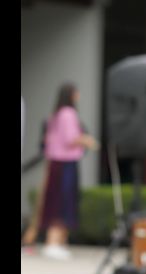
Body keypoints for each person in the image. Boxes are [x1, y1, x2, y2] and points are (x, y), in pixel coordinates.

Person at [38, 82, 99, 260]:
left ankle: (58, 242)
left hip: (56, 163)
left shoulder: (55, 115)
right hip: (65, 163)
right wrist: (88, 140)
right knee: (62, 201)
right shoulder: (68, 114)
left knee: (57, 200)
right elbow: (70, 138)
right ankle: (53, 242)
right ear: (71, 94)